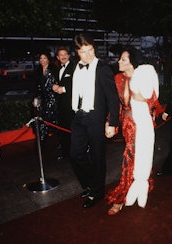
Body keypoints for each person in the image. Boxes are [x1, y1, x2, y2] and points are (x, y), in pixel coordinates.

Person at [106, 48, 160, 215]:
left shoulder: (144, 76)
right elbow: (114, 104)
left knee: (131, 157)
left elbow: (154, 100)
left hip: (142, 122)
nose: (119, 62)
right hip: (127, 123)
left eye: (123, 60)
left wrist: (145, 99)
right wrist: (111, 122)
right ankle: (138, 185)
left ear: (132, 62)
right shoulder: (117, 79)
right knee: (134, 155)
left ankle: (122, 196)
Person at [70, 33, 120, 208]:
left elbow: (113, 99)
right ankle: (91, 184)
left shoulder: (103, 68)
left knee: (97, 156)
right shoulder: (74, 68)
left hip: (95, 117)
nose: (88, 55)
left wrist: (112, 122)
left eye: (90, 50)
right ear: (77, 52)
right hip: (78, 116)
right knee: (75, 155)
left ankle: (97, 192)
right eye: (83, 52)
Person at [52, 47, 75, 160]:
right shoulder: (58, 69)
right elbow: (58, 82)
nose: (63, 56)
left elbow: (78, 84)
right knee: (63, 129)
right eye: (61, 55)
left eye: (65, 54)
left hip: (72, 105)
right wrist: (55, 86)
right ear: (57, 57)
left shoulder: (74, 67)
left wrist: (64, 89)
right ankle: (66, 153)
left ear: (69, 55)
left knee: (72, 129)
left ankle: (75, 153)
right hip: (62, 106)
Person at [35, 50, 59, 142]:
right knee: (43, 122)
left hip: (54, 100)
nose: (42, 60)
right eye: (40, 58)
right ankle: (41, 143)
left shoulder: (54, 70)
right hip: (43, 101)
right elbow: (36, 87)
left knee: (55, 122)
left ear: (48, 59)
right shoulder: (37, 71)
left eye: (44, 58)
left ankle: (61, 142)